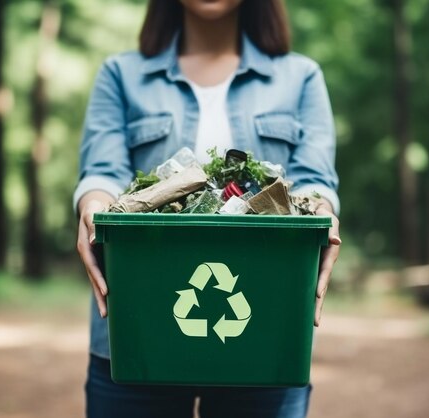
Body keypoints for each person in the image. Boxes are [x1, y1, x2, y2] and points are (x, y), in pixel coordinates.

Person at [74, 0, 341, 417]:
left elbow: (313, 183)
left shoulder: (300, 77)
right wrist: (93, 206)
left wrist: (322, 214)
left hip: (266, 333)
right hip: (138, 331)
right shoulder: (121, 75)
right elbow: (103, 173)